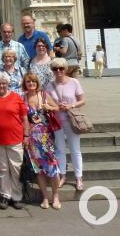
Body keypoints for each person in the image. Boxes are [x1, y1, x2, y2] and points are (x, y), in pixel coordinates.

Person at [0, 72, 29, 210]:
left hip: (15, 139)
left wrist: (26, 136)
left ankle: (17, 196)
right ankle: (5, 195)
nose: (1, 86)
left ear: (8, 84)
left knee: (15, 168)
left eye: (4, 83)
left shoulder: (16, 97)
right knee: (2, 169)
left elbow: (24, 118)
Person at [22, 73, 61, 210]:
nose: (31, 83)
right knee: (39, 169)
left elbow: (56, 107)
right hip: (32, 139)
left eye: (33, 81)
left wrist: (48, 107)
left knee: (52, 167)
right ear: (25, 83)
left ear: (37, 82)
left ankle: (55, 196)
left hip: (46, 137)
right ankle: (45, 197)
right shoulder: (23, 98)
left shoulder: (43, 95)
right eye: (28, 81)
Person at [46, 58, 86, 191]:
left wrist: (70, 105)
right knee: (60, 150)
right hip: (57, 121)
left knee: (75, 149)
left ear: (66, 69)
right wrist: (55, 106)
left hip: (72, 120)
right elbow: (47, 102)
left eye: (61, 68)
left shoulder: (74, 82)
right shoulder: (49, 85)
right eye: (55, 69)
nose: (58, 71)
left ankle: (78, 177)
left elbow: (82, 100)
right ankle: (62, 175)